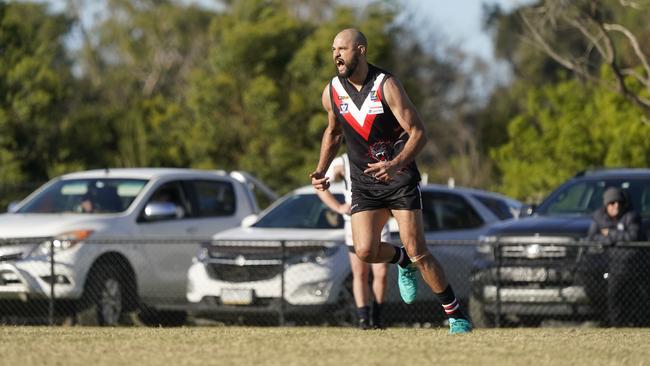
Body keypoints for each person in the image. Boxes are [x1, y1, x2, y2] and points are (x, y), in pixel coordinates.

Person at [310, 28, 472, 334]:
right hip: (364, 182)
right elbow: (333, 133)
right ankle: (401, 261)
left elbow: (419, 132)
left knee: (419, 251)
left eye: (342, 49)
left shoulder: (387, 84)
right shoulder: (332, 90)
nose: (336, 55)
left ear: (360, 50)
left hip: (398, 179)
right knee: (365, 251)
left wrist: (396, 164)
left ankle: (456, 315)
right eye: (333, 50)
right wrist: (321, 171)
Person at [316, 153, 391, 329]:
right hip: (354, 221)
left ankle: (378, 316)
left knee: (381, 272)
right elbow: (319, 185)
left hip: (379, 218)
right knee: (361, 273)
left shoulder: (380, 154)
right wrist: (338, 207)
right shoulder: (342, 161)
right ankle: (363, 318)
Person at [587, 187, 647, 327]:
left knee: (634, 298)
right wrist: (614, 240)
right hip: (605, 264)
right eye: (612, 203)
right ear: (606, 205)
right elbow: (592, 237)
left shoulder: (631, 216)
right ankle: (615, 324)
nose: (616, 206)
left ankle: (637, 324)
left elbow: (632, 237)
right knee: (613, 297)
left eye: (619, 202)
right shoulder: (599, 217)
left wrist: (609, 235)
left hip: (630, 265)